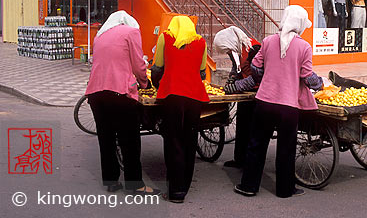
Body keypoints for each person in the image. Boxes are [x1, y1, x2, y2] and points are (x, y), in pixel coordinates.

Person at [234, 5, 323, 198]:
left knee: (256, 145)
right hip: (288, 107)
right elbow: (308, 77)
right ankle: (285, 190)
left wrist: (269, 75)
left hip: (264, 102)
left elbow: (256, 68)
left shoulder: (267, 41)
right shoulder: (304, 47)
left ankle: (249, 186)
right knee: (286, 149)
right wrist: (320, 84)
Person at [85, 11, 160, 195]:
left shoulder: (100, 35)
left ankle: (111, 182)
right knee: (129, 140)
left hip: (96, 93)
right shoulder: (130, 32)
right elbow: (138, 65)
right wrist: (145, 83)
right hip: (119, 93)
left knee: (106, 138)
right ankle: (135, 185)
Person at [151, 16, 209, 204]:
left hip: (172, 95)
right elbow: (201, 73)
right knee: (189, 139)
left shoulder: (165, 38)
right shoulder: (201, 41)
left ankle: (175, 190)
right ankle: (184, 186)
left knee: (173, 139)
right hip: (194, 97)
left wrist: (157, 84)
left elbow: (157, 67)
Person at [213, 26, 261, 169]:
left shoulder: (254, 49)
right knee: (242, 126)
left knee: (252, 129)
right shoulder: (237, 50)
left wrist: (238, 86)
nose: (228, 53)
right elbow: (236, 67)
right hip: (245, 95)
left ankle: (250, 163)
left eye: (227, 50)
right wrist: (232, 79)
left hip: (256, 94)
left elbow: (257, 77)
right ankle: (239, 159)